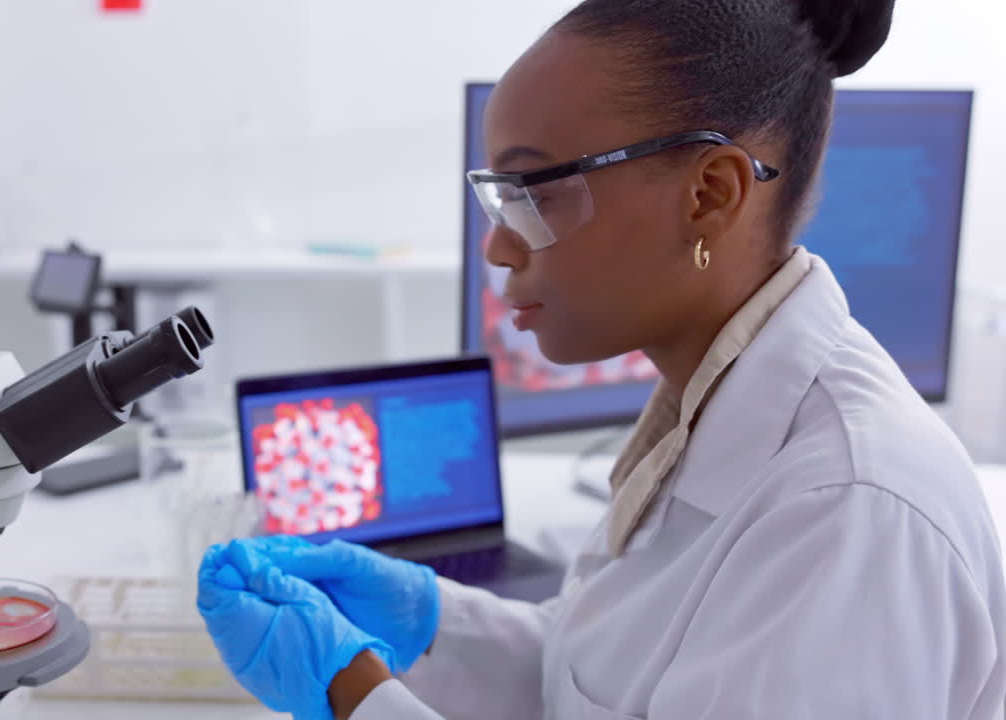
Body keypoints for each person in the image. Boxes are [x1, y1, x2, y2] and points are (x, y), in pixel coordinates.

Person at [197, 0, 1006, 717]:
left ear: (710, 195)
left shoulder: (848, 518)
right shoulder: (710, 410)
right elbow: (594, 680)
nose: (501, 244)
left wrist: (355, 695)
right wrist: (435, 621)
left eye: (535, 192)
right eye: (498, 196)